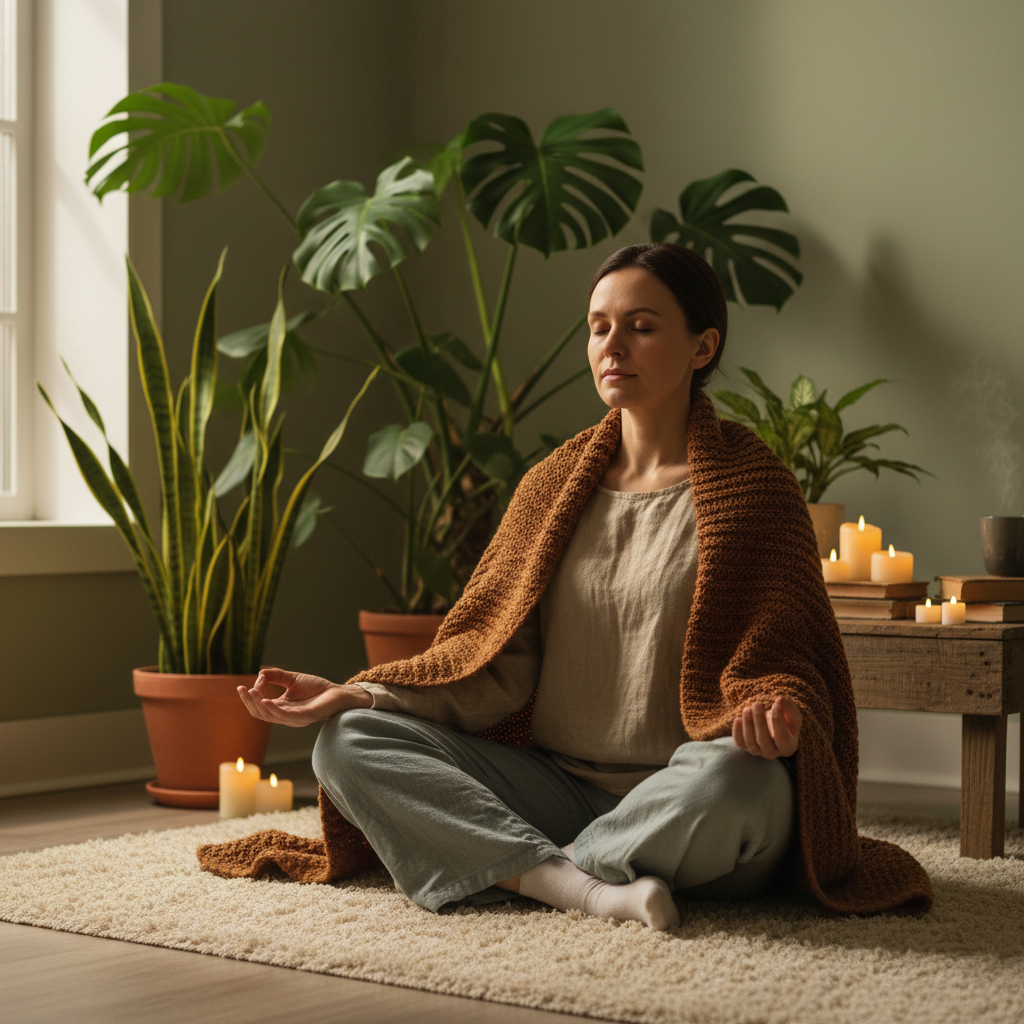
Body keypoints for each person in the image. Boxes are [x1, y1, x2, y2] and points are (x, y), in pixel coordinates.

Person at [231, 243, 900, 928]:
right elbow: (489, 661)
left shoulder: (754, 486)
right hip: (555, 786)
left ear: (703, 348)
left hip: (689, 788)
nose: (613, 345)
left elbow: (787, 661)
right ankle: (586, 884)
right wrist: (359, 693)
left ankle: (523, 866)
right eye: (598, 326)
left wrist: (776, 713)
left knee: (739, 779)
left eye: (641, 326)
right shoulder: (551, 486)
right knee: (345, 740)